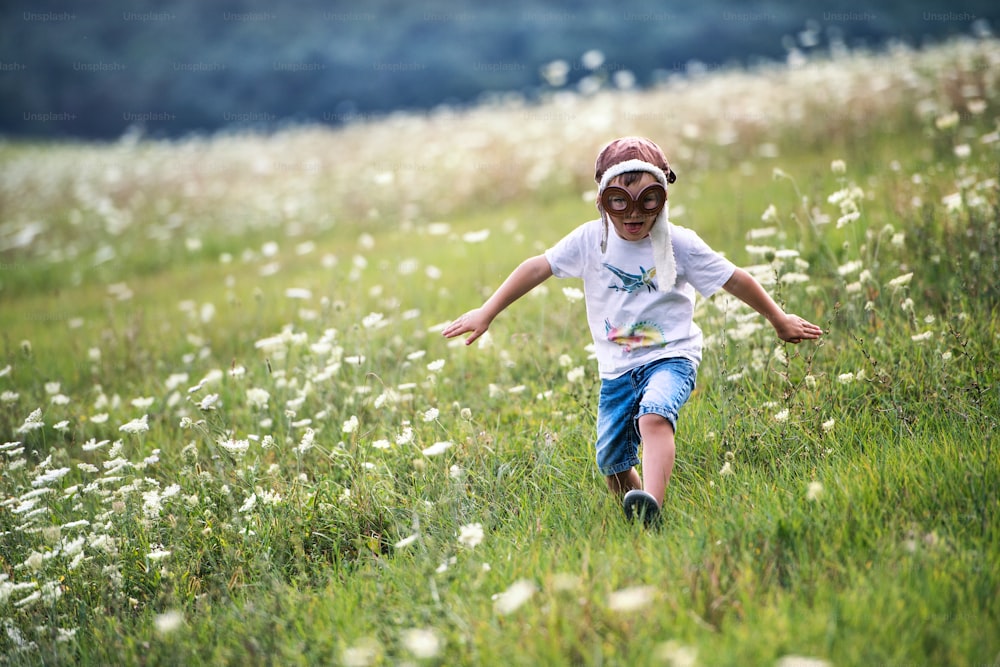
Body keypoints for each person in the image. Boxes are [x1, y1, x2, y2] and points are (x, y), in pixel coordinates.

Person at [442, 136, 823, 526]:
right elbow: (537, 267)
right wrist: (487, 311)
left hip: (671, 356)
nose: (634, 213)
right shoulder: (591, 240)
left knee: (654, 416)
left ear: (663, 198)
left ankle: (653, 502)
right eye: (620, 201)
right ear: (603, 200)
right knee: (612, 462)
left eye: (648, 199)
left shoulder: (679, 243)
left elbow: (735, 279)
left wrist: (779, 319)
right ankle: (643, 519)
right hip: (617, 370)